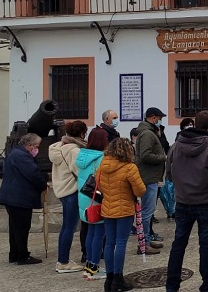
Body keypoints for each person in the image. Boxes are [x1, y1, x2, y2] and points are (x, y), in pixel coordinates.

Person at [166, 110, 208, 292]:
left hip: (183, 201)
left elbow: (168, 174)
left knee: (178, 244)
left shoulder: (176, 146)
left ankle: (172, 286)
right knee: (206, 245)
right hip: (206, 202)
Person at [98, 138, 146, 292]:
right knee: (121, 243)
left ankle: (109, 279)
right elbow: (140, 190)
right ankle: (118, 279)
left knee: (109, 243)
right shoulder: (129, 168)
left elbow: (99, 186)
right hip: (124, 209)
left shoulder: (102, 166)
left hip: (107, 208)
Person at [0, 133, 47, 265]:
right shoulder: (22, 156)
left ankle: (14, 254)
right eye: (36, 146)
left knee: (15, 228)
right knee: (21, 227)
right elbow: (33, 174)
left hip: (13, 196)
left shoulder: (15, 153)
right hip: (19, 197)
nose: (37, 149)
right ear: (30, 145)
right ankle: (22, 256)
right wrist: (43, 183)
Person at [48, 120, 88, 273]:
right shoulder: (74, 151)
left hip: (62, 190)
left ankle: (62, 260)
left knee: (66, 227)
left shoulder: (58, 147)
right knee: (69, 228)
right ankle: (63, 262)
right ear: (82, 134)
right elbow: (80, 171)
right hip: (72, 190)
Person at [134, 107, 168, 254]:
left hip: (150, 176)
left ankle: (147, 239)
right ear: (153, 118)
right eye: (159, 118)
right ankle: (144, 243)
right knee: (147, 212)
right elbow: (145, 155)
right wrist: (163, 158)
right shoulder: (147, 133)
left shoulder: (149, 131)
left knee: (148, 211)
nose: (160, 121)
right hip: (147, 177)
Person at [76, 127, 108, 279]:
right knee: (99, 234)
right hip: (96, 199)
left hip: (84, 197)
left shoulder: (82, 155)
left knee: (90, 232)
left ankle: (89, 266)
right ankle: (94, 268)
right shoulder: (101, 158)